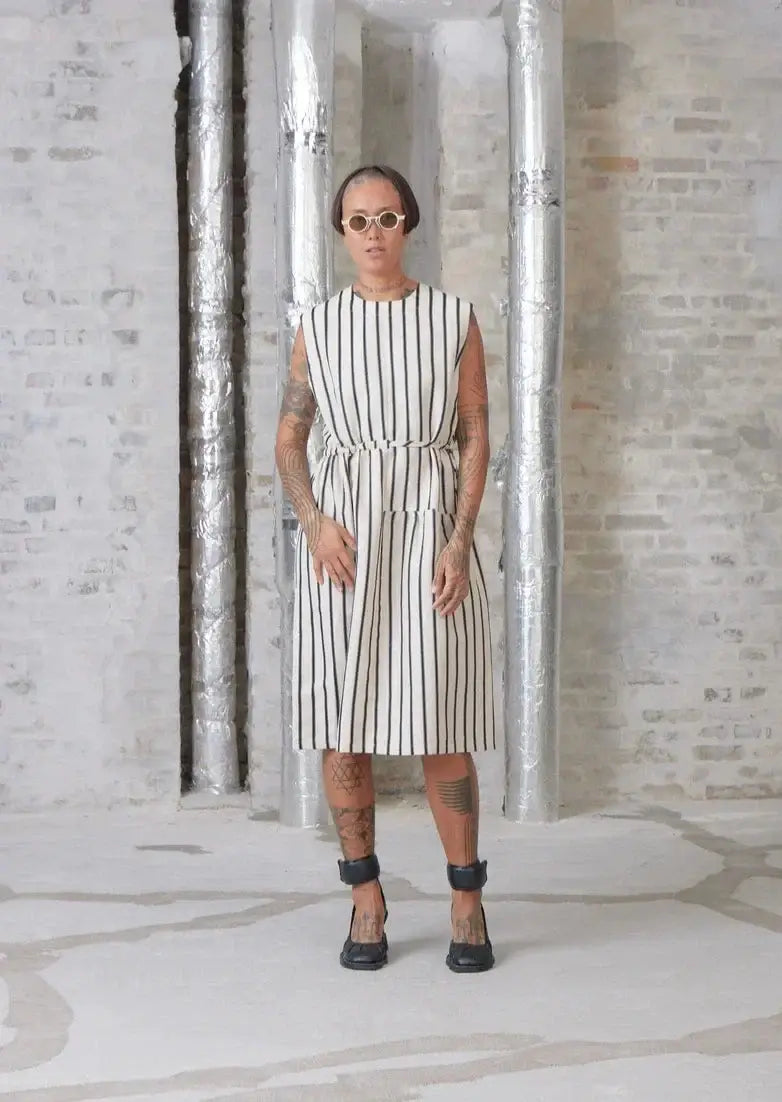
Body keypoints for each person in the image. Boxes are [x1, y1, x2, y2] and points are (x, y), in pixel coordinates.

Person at [274, 164, 496, 973]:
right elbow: (290, 438)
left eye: (388, 217)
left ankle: (466, 899)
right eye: (359, 220)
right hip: (345, 547)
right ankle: (365, 897)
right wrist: (314, 525)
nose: (374, 233)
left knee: (442, 721)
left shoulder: (452, 318)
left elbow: (475, 431)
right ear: (342, 232)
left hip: (430, 534)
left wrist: (460, 540)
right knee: (344, 726)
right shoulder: (320, 325)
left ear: (409, 225)